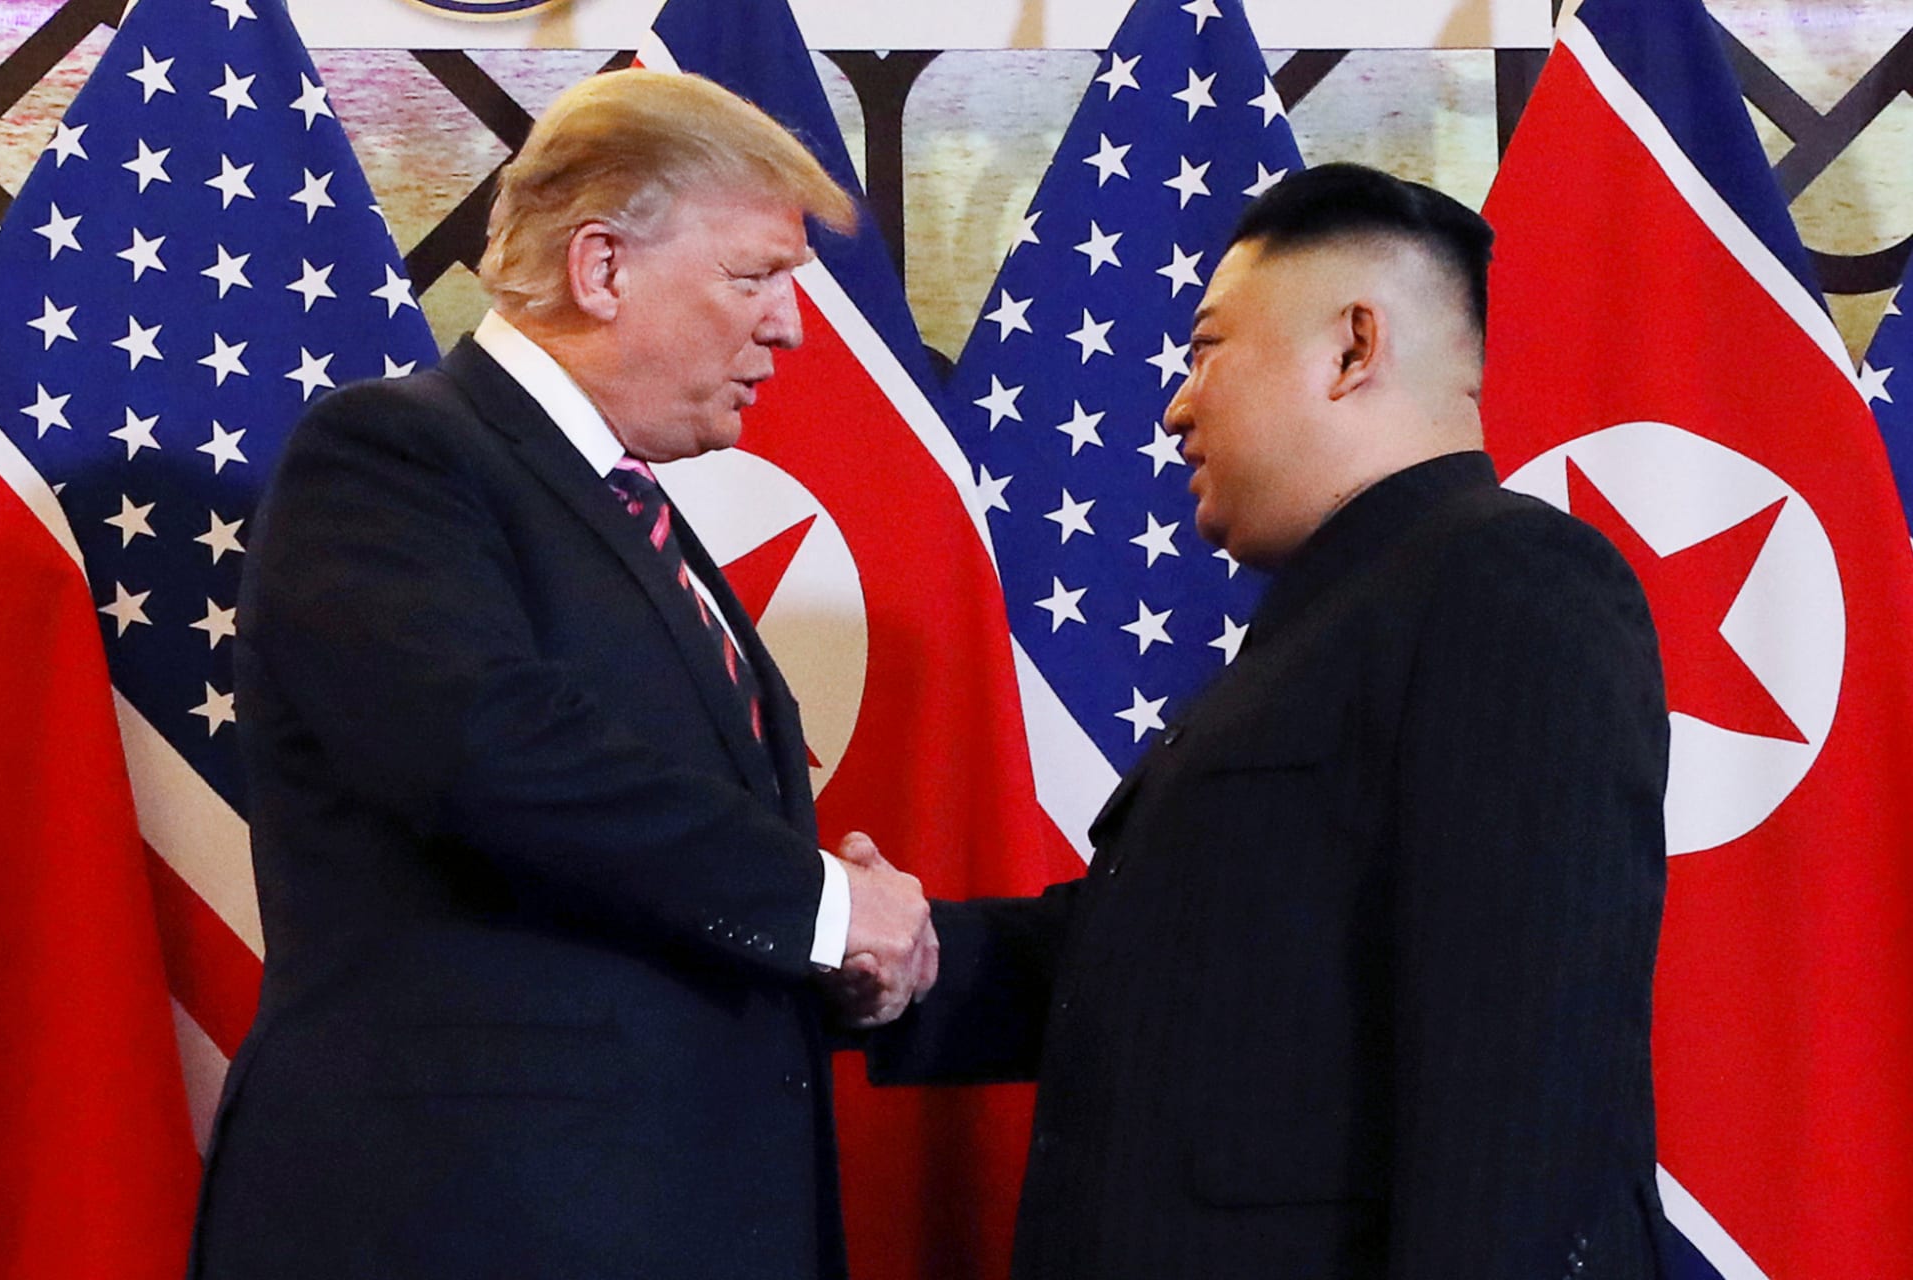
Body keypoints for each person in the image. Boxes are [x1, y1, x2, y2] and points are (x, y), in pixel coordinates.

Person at [857, 163, 1673, 1278]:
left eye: (1206, 349)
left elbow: (1528, 1069)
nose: (1177, 405)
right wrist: (912, 961)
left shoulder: (1508, 580)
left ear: (1352, 349)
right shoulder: (1338, 617)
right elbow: (1175, 962)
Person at [187, 70, 937, 1280]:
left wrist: (831, 945)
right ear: (601, 268)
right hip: (469, 1227)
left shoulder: (626, 508)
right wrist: (825, 905)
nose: (791, 326)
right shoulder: (393, 456)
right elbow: (494, 751)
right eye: (756, 276)